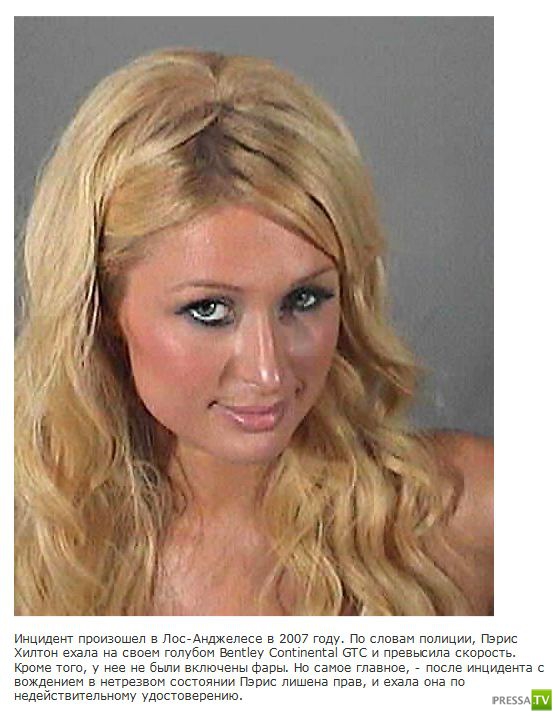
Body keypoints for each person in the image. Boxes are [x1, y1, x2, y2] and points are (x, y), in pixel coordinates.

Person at [14, 48, 493, 616]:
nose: (268, 371)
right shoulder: (30, 550)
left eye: (303, 300)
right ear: (103, 309)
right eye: (209, 310)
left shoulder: (469, 514)